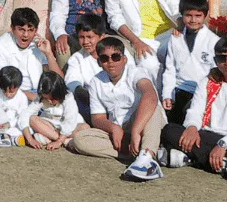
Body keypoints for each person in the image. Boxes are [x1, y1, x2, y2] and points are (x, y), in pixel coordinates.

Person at [160, 39, 227, 181]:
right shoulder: (208, 81)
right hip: (206, 134)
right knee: (169, 130)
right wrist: (191, 127)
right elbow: (195, 110)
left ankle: (190, 159)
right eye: (222, 58)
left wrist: (223, 144)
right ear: (215, 61)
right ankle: (226, 164)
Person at [69, 34, 164, 178]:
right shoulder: (96, 82)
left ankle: (147, 158)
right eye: (104, 58)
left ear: (124, 59)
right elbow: (97, 118)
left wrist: (136, 130)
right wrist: (113, 128)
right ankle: (144, 152)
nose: (111, 62)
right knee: (80, 139)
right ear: (99, 62)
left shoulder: (136, 72)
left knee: (152, 108)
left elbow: (150, 95)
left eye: (115, 57)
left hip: (144, 124)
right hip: (120, 130)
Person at [156, 0, 218, 128]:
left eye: (198, 16)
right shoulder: (175, 38)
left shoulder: (213, 41)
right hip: (179, 90)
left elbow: (216, 74)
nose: (193, 20)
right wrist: (167, 94)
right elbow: (170, 69)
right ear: (182, 15)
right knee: (168, 127)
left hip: (202, 93)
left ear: (205, 15)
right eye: (188, 15)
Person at [25, 71, 82, 151]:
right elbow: (26, 114)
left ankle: (54, 139)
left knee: (85, 127)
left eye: (52, 99)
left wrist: (60, 140)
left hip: (69, 129)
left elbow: (70, 121)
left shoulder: (68, 98)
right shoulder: (41, 98)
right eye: (46, 98)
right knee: (32, 119)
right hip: (50, 128)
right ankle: (65, 141)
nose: (49, 101)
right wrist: (30, 138)